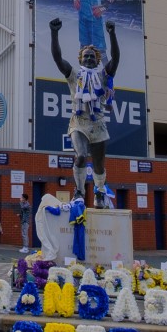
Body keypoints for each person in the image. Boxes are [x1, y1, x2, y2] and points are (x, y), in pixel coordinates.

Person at [50, 18, 120, 203]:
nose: (89, 58)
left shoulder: (103, 77)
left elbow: (116, 59)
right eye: (85, 56)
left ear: (97, 61)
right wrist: (54, 33)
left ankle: (99, 192)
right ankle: (79, 191)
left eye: (92, 57)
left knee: (98, 166)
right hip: (78, 124)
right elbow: (58, 59)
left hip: (98, 125)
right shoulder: (74, 75)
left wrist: (112, 34)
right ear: (80, 59)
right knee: (81, 156)